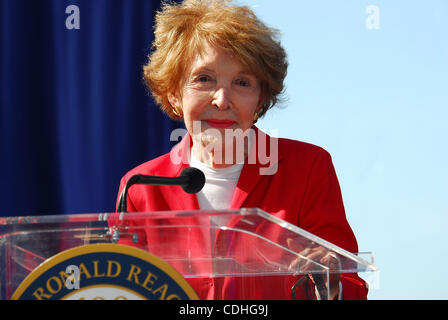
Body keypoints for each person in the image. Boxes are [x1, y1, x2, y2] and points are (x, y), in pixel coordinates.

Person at [114, 0, 368, 300]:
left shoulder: (308, 168)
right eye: (203, 79)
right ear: (174, 92)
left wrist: (332, 286)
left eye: (242, 82)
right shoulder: (141, 186)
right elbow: (124, 289)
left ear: (261, 99)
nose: (222, 100)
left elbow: (350, 286)